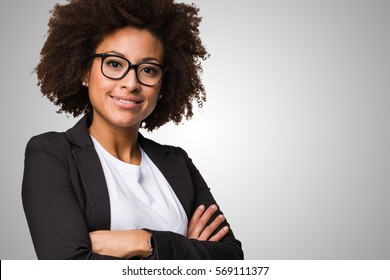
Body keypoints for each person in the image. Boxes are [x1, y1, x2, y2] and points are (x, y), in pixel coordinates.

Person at [22, 0, 243, 260]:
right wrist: (187, 251)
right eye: (114, 64)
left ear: (163, 86)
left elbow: (229, 258)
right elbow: (67, 266)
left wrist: (144, 242)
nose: (131, 83)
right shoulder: (52, 154)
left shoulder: (177, 162)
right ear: (84, 71)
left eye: (148, 70)